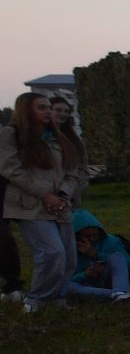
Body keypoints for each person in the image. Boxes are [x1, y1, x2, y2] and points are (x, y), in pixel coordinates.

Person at [0, 92, 82, 313]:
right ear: (27, 110)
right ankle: (37, 299)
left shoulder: (59, 138)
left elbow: (72, 170)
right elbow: (11, 169)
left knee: (68, 258)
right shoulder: (11, 135)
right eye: (41, 107)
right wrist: (45, 194)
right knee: (51, 253)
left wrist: (64, 195)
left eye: (48, 107)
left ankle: (55, 297)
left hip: (59, 205)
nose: (48, 111)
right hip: (30, 204)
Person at [65, 209, 130, 301]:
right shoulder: (68, 248)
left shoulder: (111, 241)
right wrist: (85, 274)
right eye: (87, 236)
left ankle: (120, 292)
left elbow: (128, 265)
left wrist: (96, 255)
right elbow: (68, 278)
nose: (92, 239)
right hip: (86, 285)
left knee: (117, 256)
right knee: (67, 287)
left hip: (110, 279)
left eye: (95, 235)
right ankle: (118, 295)